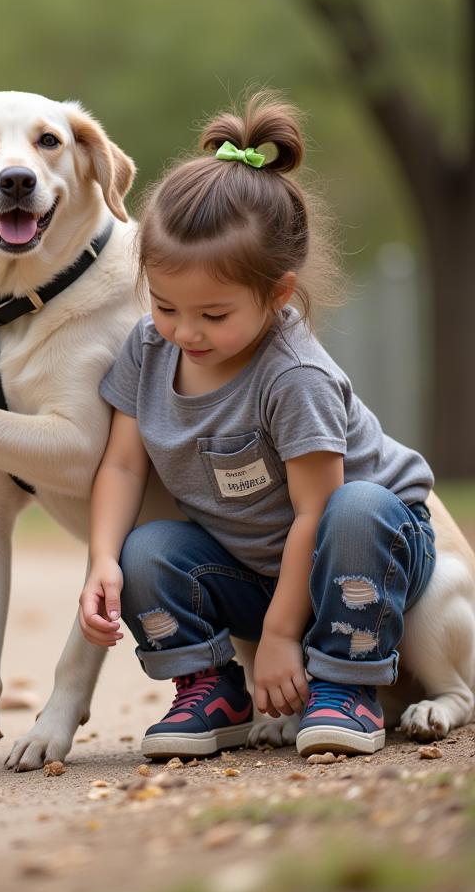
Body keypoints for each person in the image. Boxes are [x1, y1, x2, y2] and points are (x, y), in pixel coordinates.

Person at [77, 91, 435, 761]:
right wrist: (101, 558)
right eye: (164, 305)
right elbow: (123, 464)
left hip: (363, 558)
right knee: (146, 549)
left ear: (276, 293)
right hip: (256, 569)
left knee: (357, 508)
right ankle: (213, 691)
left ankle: (344, 682)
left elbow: (316, 514)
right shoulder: (152, 350)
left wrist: (278, 634)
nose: (185, 332)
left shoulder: (293, 376)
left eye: (214, 315)